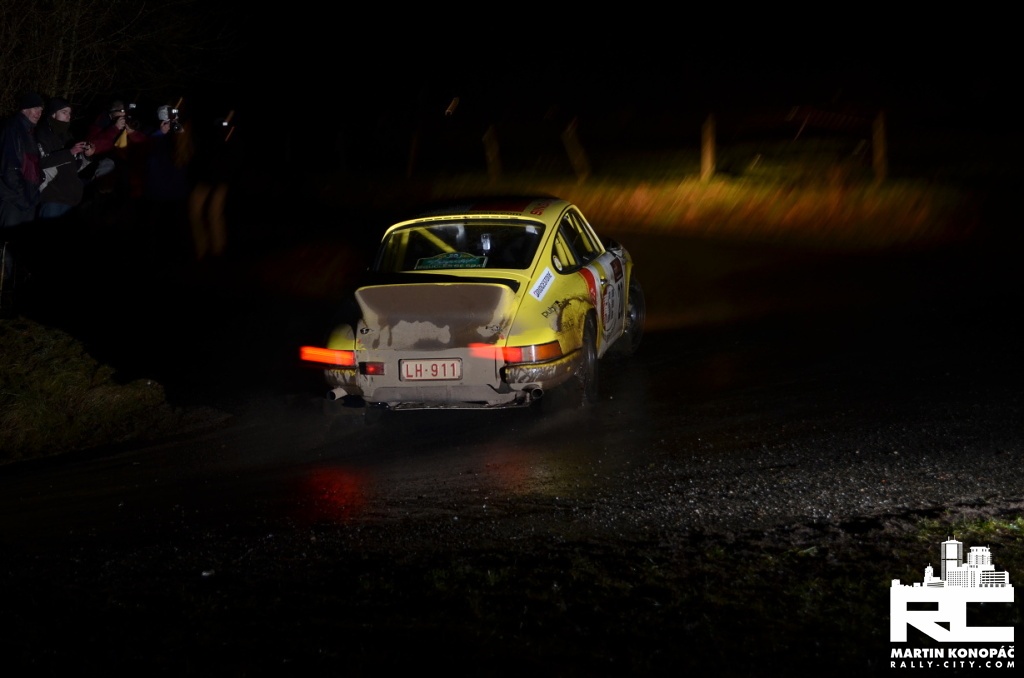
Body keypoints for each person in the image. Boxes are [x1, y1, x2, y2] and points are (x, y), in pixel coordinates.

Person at [0, 91, 45, 315]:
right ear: (24, 109)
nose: (39, 113)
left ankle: (13, 294)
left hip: (26, 200)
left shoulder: (29, 132)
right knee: (6, 247)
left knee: (19, 246)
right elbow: (9, 168)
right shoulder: (13, 129)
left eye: (41, 109)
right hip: (13, 200)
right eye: (35, 108)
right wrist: (22, 197)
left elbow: (32, 166)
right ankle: (4, 293)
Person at [36, 97, 95, 220]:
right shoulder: (41, 134)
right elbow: (41, 163)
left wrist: (86, 156)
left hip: (71, 199)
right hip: (52, 198)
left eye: (69, 113)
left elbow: (74, 167)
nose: (68, 116)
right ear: (53, 114)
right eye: (64, 112)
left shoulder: (67, 136)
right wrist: (70, 152)